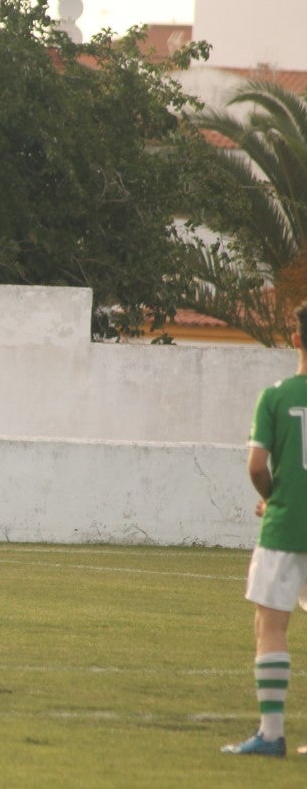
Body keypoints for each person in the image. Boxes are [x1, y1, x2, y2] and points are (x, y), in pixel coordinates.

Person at [222, 301, 307, 758]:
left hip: (284, 527)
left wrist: (273, 494)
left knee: (271, 625)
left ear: (296, 339)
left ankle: (271, 735)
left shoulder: (276, 396)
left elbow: (257, 466)